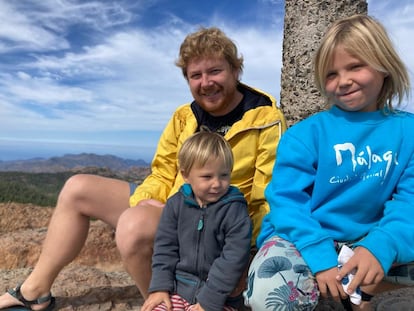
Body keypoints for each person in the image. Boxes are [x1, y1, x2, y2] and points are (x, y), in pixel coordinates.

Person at [0, 26, 286, 310]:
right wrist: (144, 202)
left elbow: (268, 196)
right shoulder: (184, 117)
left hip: (220, 222)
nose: (206, 82)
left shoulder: (264, 119)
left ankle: (173, 303)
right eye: (195, 75)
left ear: (236, 70)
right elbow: (162, 172)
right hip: (176, 205)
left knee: (132, 227)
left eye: (215, 71)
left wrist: (248, 251)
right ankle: (35, 292)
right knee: (77, 188)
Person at [244, 14, 414, 311]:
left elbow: (410, 201)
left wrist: (379, 246)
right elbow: (286, 202)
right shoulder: (305, 135)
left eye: (355, 66)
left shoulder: (407, 132)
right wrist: (320, 260)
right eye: (331, 74)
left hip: (374, 235)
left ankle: (364, 293)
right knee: (268, 292)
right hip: (305, 237)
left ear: (384, 66)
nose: (343, 81)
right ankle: (353, 293)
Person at [142, 130, 252, 311]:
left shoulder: (235, 210)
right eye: (207, 177)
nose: (217, 183)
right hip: (179, 289)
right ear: (186, 175)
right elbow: (165, 248)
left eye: (224, 175)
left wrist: (209, 301)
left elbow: (233, 259)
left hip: (220, 297)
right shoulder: (176, 205)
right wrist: (160, 288)